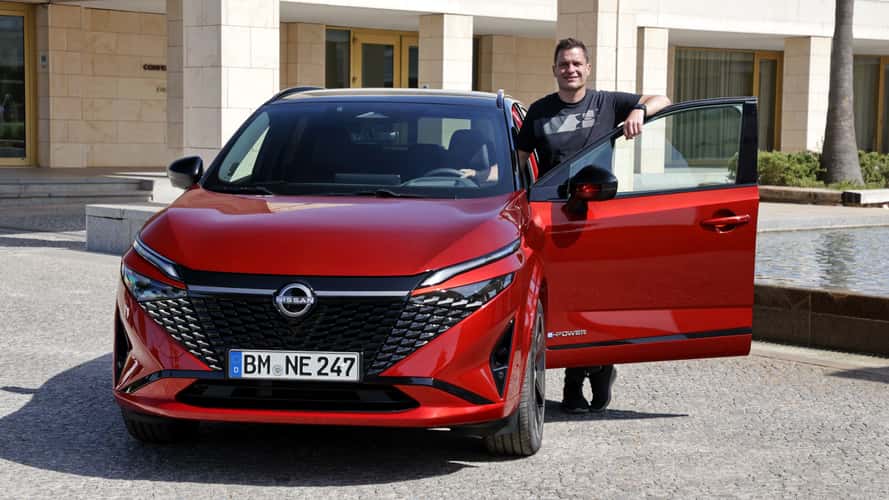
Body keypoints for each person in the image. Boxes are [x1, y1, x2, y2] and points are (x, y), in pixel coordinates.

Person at [515, 38, 671, 413]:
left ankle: (591, 374)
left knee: (592, 297)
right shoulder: (539, 112)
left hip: (597, 213)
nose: (570, 69)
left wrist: (637, 111)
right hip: (554, 216)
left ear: (587, 68)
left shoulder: (606, 102)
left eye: (576, 64)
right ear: (554, 70)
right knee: (565, 300)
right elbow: (520, 160)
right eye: (563, 64)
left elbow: (662, 99)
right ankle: (587, 375)